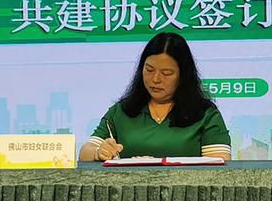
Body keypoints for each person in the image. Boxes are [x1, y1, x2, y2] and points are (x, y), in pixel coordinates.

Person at [80, 33, 231, 162]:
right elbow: (85, 152)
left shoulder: (205, 114)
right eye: (149, 70)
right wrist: (99, 152)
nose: (155, 79)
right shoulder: (122, 111)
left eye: (166, 73)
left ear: (183, 75)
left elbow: (220, 161)